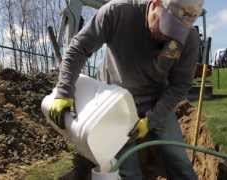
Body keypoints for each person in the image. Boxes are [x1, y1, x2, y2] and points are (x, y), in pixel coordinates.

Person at [49, 0, 204, 179]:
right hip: (115, 105)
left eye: (175, 34)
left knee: (178, 159)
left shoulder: (187, 39)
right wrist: (64, 92)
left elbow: (180, 85)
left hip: (156, 100)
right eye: (165, 27)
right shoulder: (117, 13)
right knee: (128, 169)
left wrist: (152, 120)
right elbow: (78, 49)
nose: (166, 37)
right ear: (155, 4)